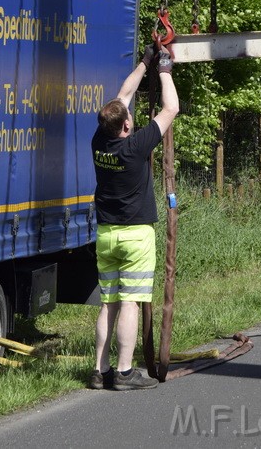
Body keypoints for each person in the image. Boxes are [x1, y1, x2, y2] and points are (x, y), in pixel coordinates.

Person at [89, 45, 178, 391]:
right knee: (129, 302)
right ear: (126, 124)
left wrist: (145, 61)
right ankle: (125, 372)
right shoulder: (135, 146)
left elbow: (124, 94)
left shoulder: (100, 140)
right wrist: (165, 68)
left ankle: (100, 370)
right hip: (135, 236)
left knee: (108, 302)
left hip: (106, 235)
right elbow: (172, 108)